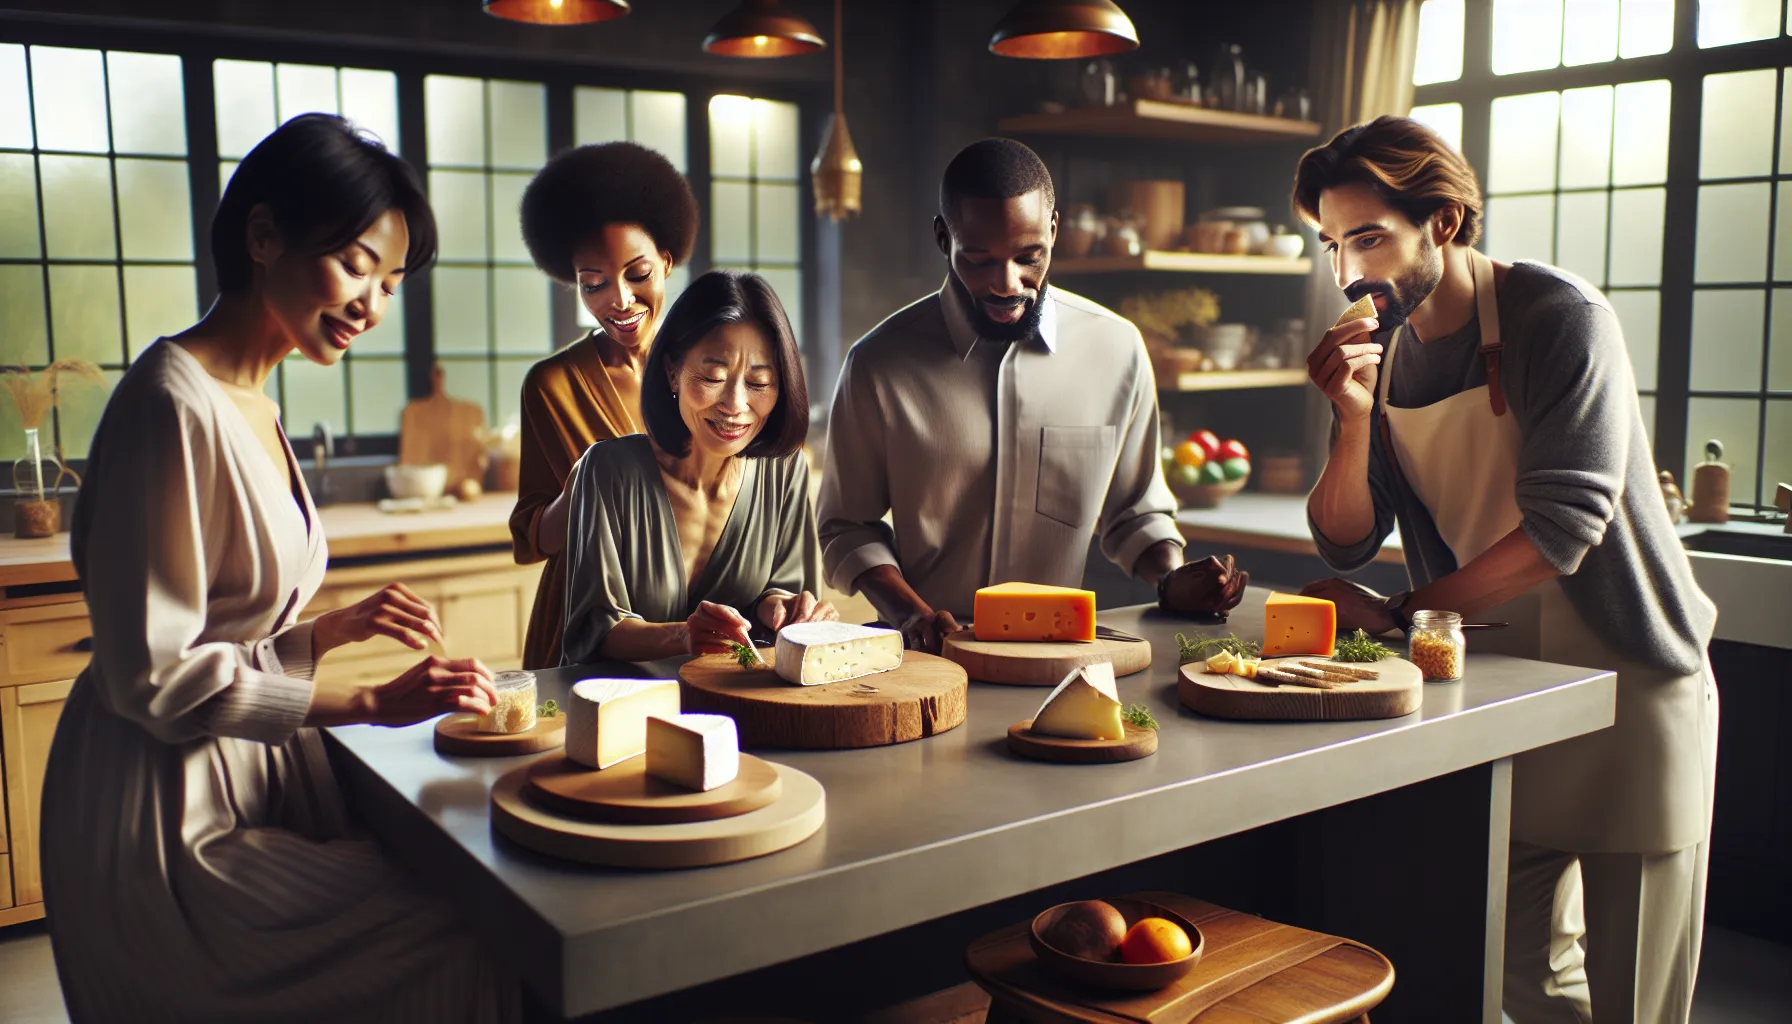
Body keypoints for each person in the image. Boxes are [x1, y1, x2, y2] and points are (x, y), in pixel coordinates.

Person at [39, 114, 517, 1022]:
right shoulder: (170, 403)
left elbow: (224, 624)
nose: (372, 303)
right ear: (263, 237)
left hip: (239, 770)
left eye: (392, 282)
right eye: (355, 263)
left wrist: (323, 632)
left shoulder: (250, 398)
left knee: (468, 897)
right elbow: (156, 675)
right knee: (454, 926)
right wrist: (371, 702)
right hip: (166, 814)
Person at [1292, 116, 1718, 1023]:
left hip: (1629, 682)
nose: (1347, 272)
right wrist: (1352, 417)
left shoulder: (1557, 317)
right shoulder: (1387, 352)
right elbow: (1343, 541)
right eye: (1331, 245)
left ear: (1442, 223)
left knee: (1635, 991)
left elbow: (1563, 529)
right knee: (1508, 969)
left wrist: (1406, 613)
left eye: (1368, 238)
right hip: (1496, 686)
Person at [817, 138, 1186, 653]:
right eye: (979, 260)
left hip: (1063, 655)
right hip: (927, 654)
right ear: (944, 238)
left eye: (1028, 257)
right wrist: (912, 616)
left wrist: (1174, 578)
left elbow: (1136, 516)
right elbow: (847, 527)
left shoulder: (1117, 349)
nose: (1007, 284)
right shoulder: (877, 364)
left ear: (1054, 230)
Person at [560, 269, 834, 662]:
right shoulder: (607, 472)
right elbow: (592, 631)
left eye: (758, 384)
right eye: (712, 377)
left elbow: (783, 589)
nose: (735, 405)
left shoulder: (784, 469)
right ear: (672, 371)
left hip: (741, 709)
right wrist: (683, 638)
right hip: (630, 710)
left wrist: (782, 608)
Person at [510, 142, 699, 669]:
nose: (618, 300)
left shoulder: (712, 369)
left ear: (666, 261)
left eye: (637, 275)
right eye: (593, 284)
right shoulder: (552, 385)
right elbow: (535, 538)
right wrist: (582, 489)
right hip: (583, 626)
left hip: (694, 621)